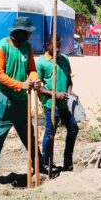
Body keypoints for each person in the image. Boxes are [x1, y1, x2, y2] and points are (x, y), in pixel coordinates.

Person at [0, 17, 43, 187]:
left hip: (22, 100)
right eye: (28, 32)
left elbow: (32, 69)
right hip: (3, 100)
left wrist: (34, 79)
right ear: (18, 32)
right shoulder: (2, 47)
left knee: (30, 136)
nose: (30, 35)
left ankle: (40, 166)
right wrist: (20, 84)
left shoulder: (27, 47)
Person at [37, 36, 78, 172]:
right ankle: (46, 162)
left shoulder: (64, 59)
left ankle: (68, 160)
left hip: (65, 104)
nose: (58, 49)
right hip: (50, 104)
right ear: (48, 45)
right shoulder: (42, 63)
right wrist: (54, 94)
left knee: (73, 129)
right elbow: (38, 87)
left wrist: (69, 92)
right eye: (55, 46)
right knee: (50, 132)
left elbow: (69, 80)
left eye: (60, 46)